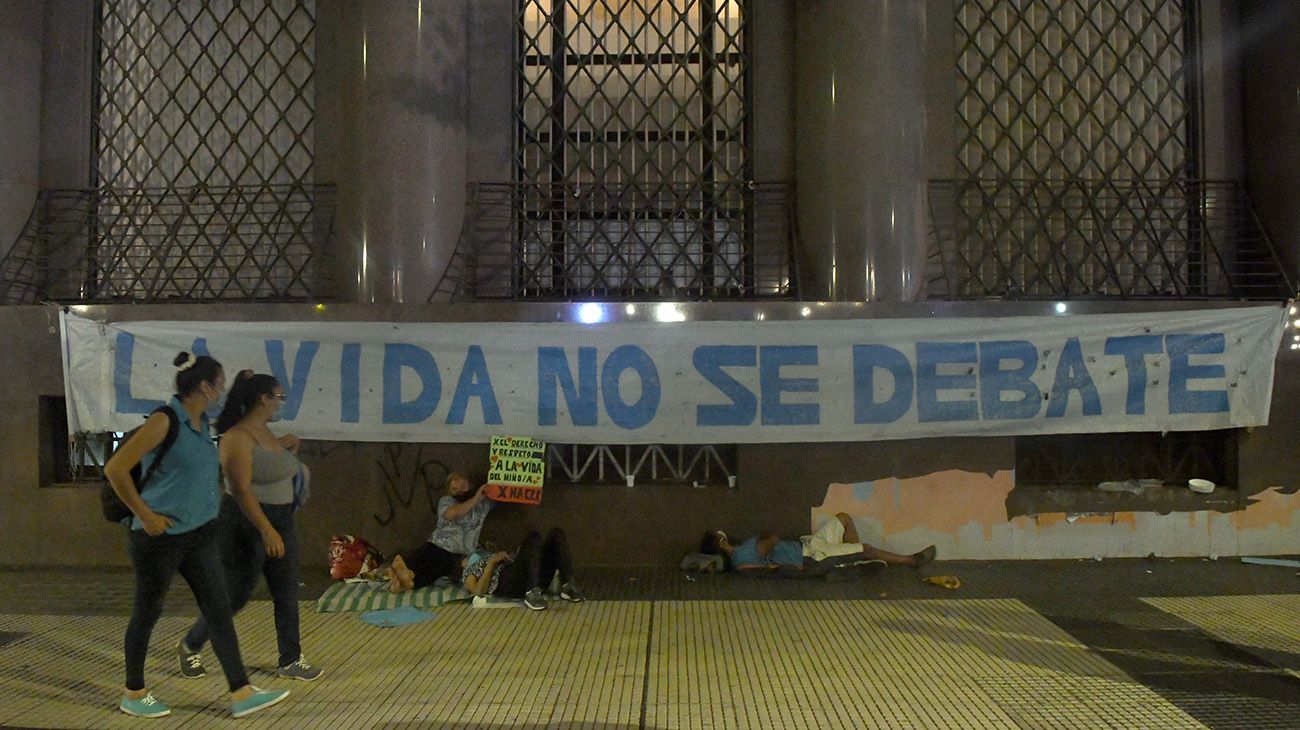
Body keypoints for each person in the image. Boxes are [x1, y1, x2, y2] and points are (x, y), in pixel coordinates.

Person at [104, 352, 289, 719]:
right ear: (204, 387)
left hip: (199, 534)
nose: (221, 391)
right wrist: (146, 515)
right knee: (148, 612)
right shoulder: (164, 421)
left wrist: (243, 384)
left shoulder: (202, 424)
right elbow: (115, 468)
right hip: (160, 537)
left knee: (219, 610)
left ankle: (241, 691)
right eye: (218, 384)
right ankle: (134, 692)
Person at [177, 370, 323, 684]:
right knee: (236, 594)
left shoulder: (267, 433)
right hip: (246, 521)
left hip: (282, 518)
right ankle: (191, 643)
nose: (282, 402)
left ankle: (291, 658)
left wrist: (289, 446)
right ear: (264, 398)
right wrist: (266, 529)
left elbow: (275, 463)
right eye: (279, 396)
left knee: (286, 592)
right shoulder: (236, 437)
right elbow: (241, 490)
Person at [701, 513, 936, 577]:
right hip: (812, 554)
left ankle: (858, 556)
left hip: (809, 544)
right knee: (865, 547)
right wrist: (767, 534)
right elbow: (772, 541)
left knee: (843, 518)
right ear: (721, 542)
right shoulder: (741, 555)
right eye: (721, 535)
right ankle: (911, 561)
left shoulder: (741, 552)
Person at [382, 472, 494, 593]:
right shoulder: (447, 501)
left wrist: (487, 492)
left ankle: (405, 579)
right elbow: (452, 514)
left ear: (470, 484)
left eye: (462, 486)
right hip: (439, 543)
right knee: (428, 555)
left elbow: (503, 493)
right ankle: (404, 575)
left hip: (458, 552)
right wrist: (477, 497)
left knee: (437, 565)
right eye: (454, 489)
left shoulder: (483, 503)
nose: (459, 490)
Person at [460, 528, 584, 611]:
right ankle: (531, 593)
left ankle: (567, 585)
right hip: (508, 584)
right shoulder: (470, 570)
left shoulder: (492, 555)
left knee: (555, 534)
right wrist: (491, 563)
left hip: (530, 575)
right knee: (533, 537)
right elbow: (478, 591)